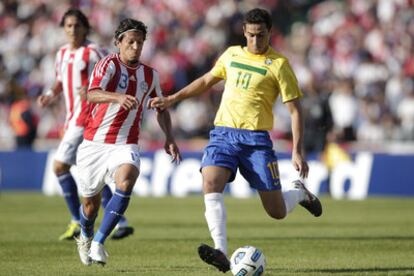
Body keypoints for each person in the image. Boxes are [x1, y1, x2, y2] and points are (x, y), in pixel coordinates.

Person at [149, 8, 322, 273]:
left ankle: (299, 192)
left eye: (261, 35)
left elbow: (295, 111)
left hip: (256, 142)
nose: (255, 41)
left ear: (269, 33)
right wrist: (172, 99)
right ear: (244, 32)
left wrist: (298, 151)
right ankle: (220, 251)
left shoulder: (279, 65)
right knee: (210, 181)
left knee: (276, 211)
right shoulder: (231, 54)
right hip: (224, 134)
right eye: (251, 35)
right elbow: (207, 80)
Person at [75, 18, 181, 266]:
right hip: (95, 143)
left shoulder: (150, 75)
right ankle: (86, 234)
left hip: (126, 142)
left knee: (127, 179)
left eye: (140, 42)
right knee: (90, 205)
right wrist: (118, 97)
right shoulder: (107, 65)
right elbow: (91, 93)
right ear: (119, 42)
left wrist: (169, 137)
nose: (135, 46)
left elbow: (161, 109)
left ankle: (99, 242)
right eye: (131, 41)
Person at [37, 8, 134, 241]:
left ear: (85, 28)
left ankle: (76, 220)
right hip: (71, 118)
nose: (72, 30)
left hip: (87, 118)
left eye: (77, 25)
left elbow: (114, 73)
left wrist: (94, 88)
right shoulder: (61, 53)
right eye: (68, 26)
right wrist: (50, 94)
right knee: (91, 174)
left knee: (59, 167)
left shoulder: (93, 51)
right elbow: (61, 80)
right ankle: (119, 221)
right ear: (63, 28)